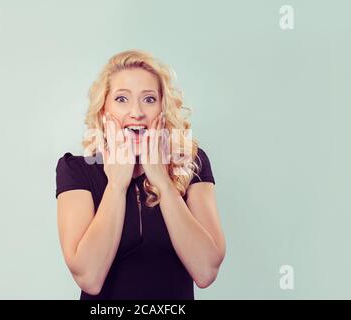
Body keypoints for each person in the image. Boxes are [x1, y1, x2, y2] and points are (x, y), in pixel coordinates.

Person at [55, 50, 226, 300]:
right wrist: (117, 184)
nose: (136, 112)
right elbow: (89, 278)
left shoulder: (192, 163)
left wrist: (162, 182)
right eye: (122, 99)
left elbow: (206, 271)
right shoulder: (77, 170)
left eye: (149, 99)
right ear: (104, 110)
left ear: (163, 108)